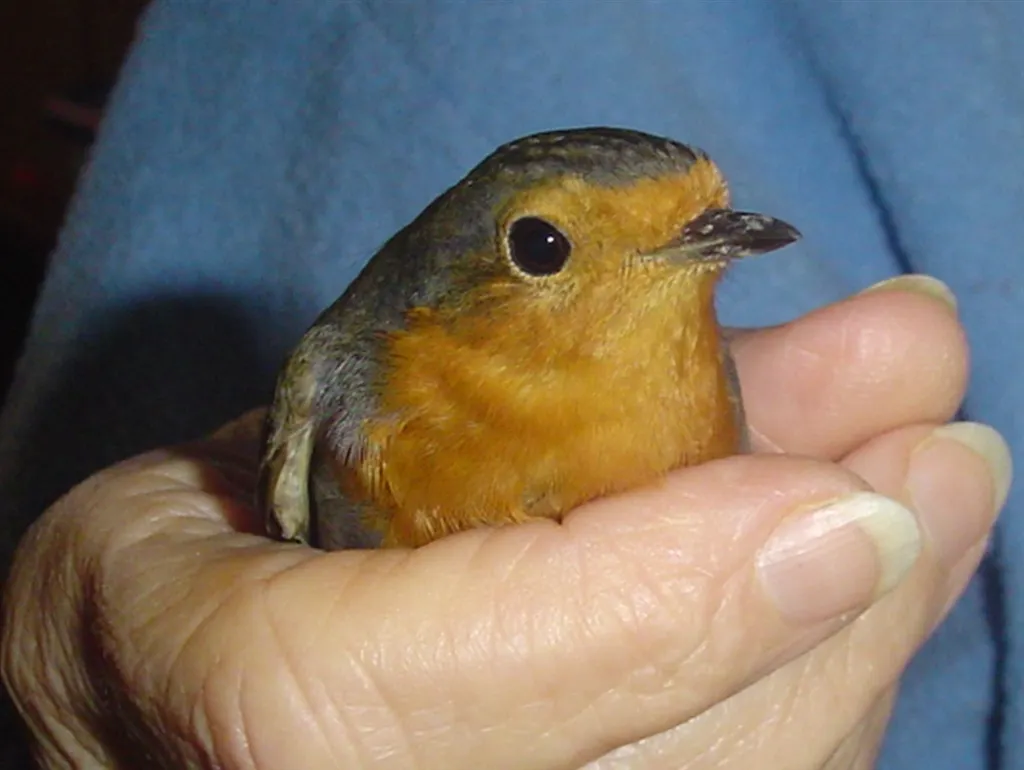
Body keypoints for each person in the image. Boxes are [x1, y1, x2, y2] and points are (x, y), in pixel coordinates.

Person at [0, 2, 1018, 768]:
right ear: (444, 282)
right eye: (546, 246)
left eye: (706, 218)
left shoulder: (697, 384)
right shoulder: (344, 383)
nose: (710, 242)